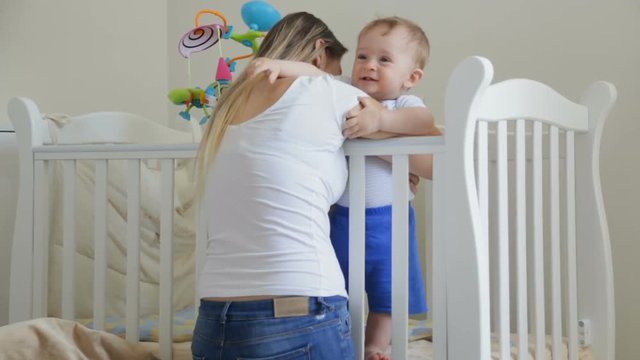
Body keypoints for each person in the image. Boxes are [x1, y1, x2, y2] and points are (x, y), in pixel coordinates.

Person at [192, 11, 398, 360]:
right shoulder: (328, 91)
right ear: (320, 52)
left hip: (213, 324)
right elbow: (431, 159)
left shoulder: (225, 107)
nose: (339, 76)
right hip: (298, 312)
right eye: (335, 68)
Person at [245, 16, 437, 360]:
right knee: (340, 286)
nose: (369, 66)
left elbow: (424, 124)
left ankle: (376, 346)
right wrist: (275, 63)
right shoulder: (345, 92)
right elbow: (316, 74)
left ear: (412, 77)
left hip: (391, 219)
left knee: (388, 292)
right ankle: (343, 339)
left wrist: (380, 121)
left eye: (384, 59)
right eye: (363, 56)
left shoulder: (405, 106)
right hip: (341, 217)